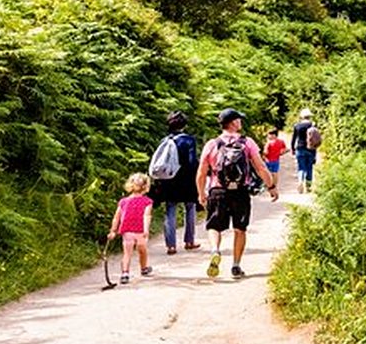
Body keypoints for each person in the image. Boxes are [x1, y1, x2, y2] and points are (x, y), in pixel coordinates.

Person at [196, 108, 278, 279]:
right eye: (239, 119)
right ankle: (236, 265)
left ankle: (215, 251)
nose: (240, 122)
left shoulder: (212, 144)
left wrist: (201, 193)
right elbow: (260, 167)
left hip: (217, 191)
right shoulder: (247, 143)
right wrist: (271, 186)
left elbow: (201, 173)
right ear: (233, 123)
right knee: (240, 229)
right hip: (240, 191)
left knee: (214, 226)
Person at [153, 110, 201, 255]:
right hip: (187, 180)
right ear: (184, 124)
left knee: (170, 210)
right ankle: (189, 241)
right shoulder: (188, 140)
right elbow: (192, 162)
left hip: (169, 180)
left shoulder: (165, 141)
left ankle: (171, 246)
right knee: (190, 208)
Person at [108, 173, 154, 285]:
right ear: (145, 187)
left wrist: (113, 231)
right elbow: (146, 216)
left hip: (127, 229)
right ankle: (144, 268)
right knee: (142, 250)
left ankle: (125, 274)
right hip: (140, 230)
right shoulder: (147, 202)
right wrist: (146, 229)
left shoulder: (123, 201)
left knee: (127, 253)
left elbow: (117, 217)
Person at [290, 108, 319, 193]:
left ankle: (300, 182)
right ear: (309, 116)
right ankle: (308, 186)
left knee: (301, 167)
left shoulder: (297, 126)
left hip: (300, 148)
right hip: (311, 149)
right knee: (309, 167)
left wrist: (292, 148)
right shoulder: (313, 125)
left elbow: (294, 138)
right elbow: (315, 139)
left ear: (302, 116)